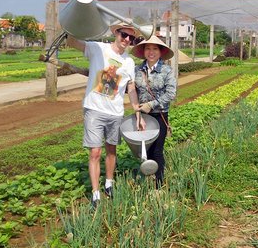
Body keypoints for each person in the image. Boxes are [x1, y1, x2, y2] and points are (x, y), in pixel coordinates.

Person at [67, 22, 144, 208]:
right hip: (94, 109)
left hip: (115, 112)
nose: (127, 40)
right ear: (116, 33)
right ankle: (95, 193)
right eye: (124, 35)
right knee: (95, 151)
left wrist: (138, 112)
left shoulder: (129, 61)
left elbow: (131, 88)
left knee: (112, 150)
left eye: (131, 38)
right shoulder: (97, 49)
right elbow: (72, 42)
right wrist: (74, 23)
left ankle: (109, 183)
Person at [131, 35, 177, 188]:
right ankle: (147, 181)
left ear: (161, 51)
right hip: (142, 117)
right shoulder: (137, 70)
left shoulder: (166, 70)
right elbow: (132, 91)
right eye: (148, 48)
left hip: (159, 116)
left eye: (155, 49)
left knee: (157, 150)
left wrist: (151, 104)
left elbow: (171, 94)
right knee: (145, 151)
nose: (151, 52)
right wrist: (138, 114)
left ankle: (159, 184)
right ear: (143, 51)